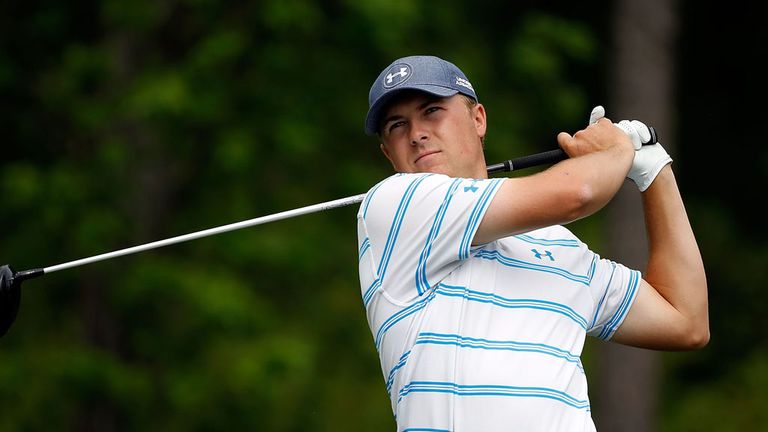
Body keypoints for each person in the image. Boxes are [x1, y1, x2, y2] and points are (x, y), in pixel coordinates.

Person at [356, 55, 708, 431]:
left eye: (432, 111)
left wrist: (655, 171)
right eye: (397, 125)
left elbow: (685, 321)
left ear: (478, 119)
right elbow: (580, 192)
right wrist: (618, 149)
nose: (416, 133)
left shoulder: (559, 246)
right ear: (387, 153)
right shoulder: (395, 207)